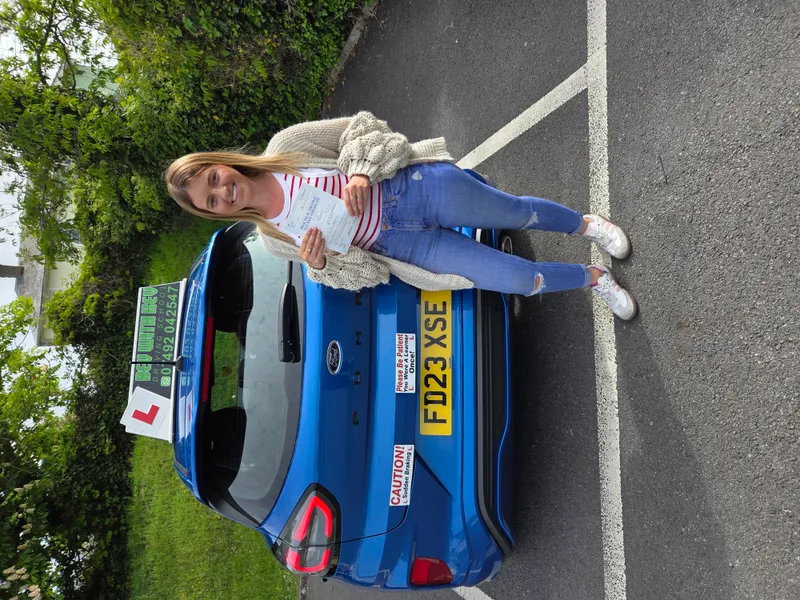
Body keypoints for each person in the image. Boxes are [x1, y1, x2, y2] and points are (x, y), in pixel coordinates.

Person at [166, 111, 637, 319]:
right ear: (213, 213)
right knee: (519, 280)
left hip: (410, 190)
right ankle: (593, 278)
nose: (222, 192)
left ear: (219, 163)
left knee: (514, 213)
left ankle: (587, 225)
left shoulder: (287, 147)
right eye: (211, 201)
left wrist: (358, 173)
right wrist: (322, 266)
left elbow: (361, 126)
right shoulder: (272, 239)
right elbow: (365, 276)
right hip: (405, 247)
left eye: (211, 178)